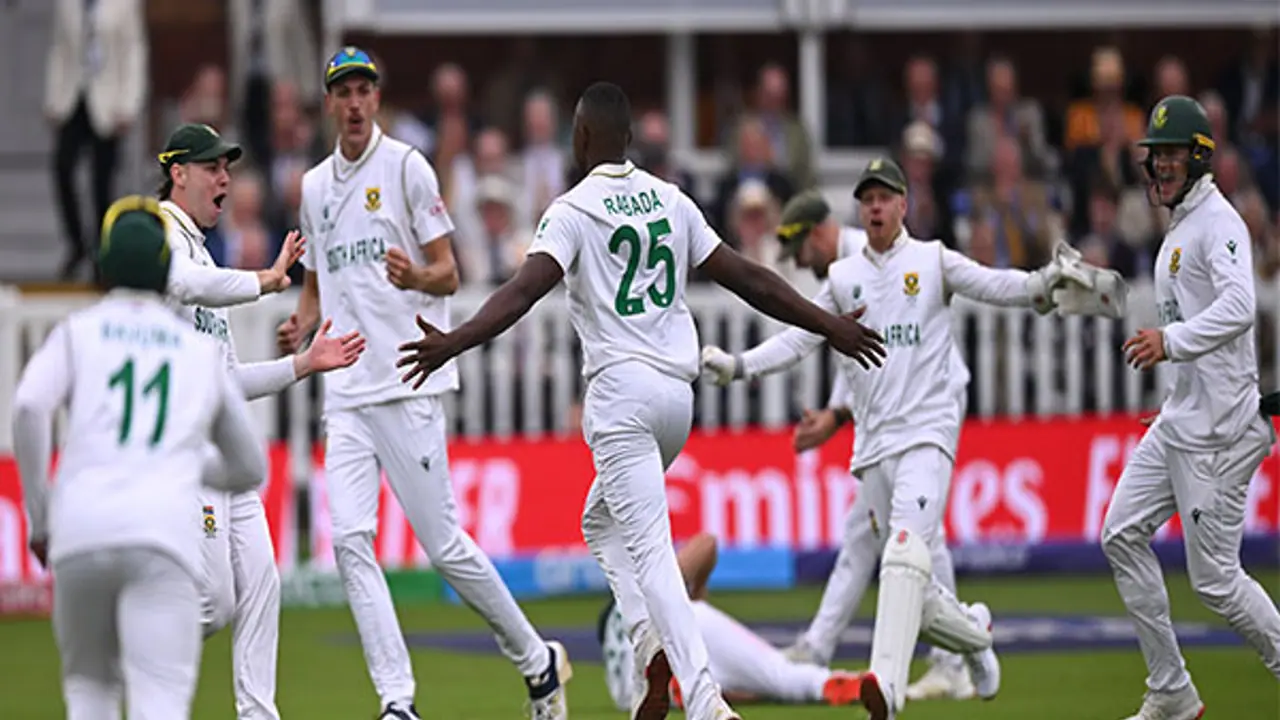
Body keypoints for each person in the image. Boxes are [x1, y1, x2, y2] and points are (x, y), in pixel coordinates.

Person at [396, 80, 887, 720]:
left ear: (580, 138)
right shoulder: (670, 199)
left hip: (621, 398)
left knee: (652, 551)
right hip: (676, 401)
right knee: (601, 522)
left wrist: (454, 341)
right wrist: (831, 326)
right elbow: (750, 279)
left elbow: (522, 292)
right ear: (629, 139)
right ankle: (650, 645)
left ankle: (705, 702)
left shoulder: (572, 209)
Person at [702, 156, 1122, 719]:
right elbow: (800, 337)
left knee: (903, 556)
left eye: (885, 198)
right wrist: (738, 366)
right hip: (874, 444)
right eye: (868, 199)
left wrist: (1042, 283)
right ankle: (973, 636)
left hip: (928, 431)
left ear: (904, 205)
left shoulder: (931, 260)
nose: (876, 208)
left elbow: (995, 285)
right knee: (914, 584)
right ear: (860, 209)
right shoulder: (844, 277)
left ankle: (886, 689)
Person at [275, 47, 571, 720]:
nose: (354, 103)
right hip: (345, 392)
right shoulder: (315, 187)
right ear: (330, 103)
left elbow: (450, 271)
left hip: (408, 377)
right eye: (344, 92)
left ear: (377, 99)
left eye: (364, 91)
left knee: (445, 548)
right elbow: (318, 285)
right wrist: (301, 323)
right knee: (349, 542)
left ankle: (536, 660)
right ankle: (397, 700)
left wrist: (415, 277)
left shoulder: (407, 167)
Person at [12, 195, 268, 719]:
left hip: (82, 530)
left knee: (89, 695)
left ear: (104, 268)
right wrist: (189, 464)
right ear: (164, 270)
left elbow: (29, 407)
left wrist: (40, 519)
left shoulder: (77, 333)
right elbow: (249, 466)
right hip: (161, 534)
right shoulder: (196, 352)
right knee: (160, 700)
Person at [718, 190, 977, 701]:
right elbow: (861, 355)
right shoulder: (849, 269)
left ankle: (955, 661)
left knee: (921, 536)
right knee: (864, 533)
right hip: (902, 405)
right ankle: (818, 647)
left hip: (930, 401)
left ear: (818, 234)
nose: (799, 265)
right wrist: (837, 413)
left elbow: (880, 352)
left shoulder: (870, 258)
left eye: (799, 252)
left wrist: (836, 416)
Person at [155, 121, 367, 720]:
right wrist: (266, 281)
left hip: (224, 448)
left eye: (228, 168)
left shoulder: (202, 248)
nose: (224, 178)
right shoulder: (160, 231)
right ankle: (130, 643)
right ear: (178, 173)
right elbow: (182, 283)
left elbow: (228, 381)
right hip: (189, 451)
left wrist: (303, 364)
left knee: (261, 585)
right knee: (214, 602)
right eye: (212, 168)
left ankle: (257, 714)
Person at [1103, 94, 1280, 720]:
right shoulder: (1182, 225)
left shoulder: (1219, 222)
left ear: (1200, 157)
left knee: (1216, 581)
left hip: (1220, 433)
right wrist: (1180, 394)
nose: (1162, 165)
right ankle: (1172, 690)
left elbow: (1238, 308)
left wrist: (1170, 343)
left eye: (1173, 154)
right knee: (1120, 534)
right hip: (1185, 421)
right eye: (1157, 155)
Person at [599, 533, 866, 711]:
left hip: (632, 688)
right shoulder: (647, 585)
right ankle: (835, 683)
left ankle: (680, 685)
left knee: (717, 684)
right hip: (682, 624)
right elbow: (707, 543)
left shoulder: (616, 658)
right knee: (779, 671)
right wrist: (697, 593)